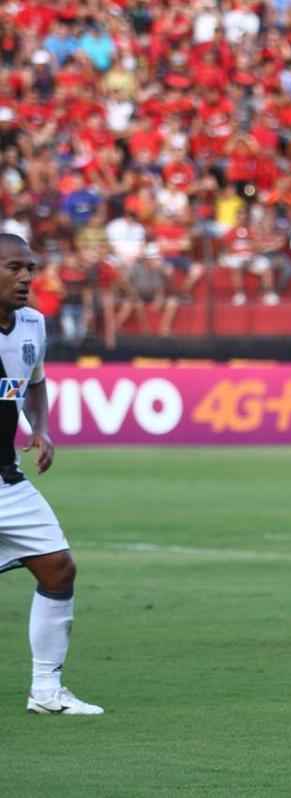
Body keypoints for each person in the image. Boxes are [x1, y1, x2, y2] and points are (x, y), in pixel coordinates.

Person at [0, 234, 103, 716]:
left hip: (8, 478)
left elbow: (34, 383)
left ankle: (46, 691)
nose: (25, 277)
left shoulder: (33, 325)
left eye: (30, 268)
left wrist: (40, 429)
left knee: (58, 567)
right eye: (13, 267)